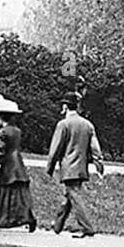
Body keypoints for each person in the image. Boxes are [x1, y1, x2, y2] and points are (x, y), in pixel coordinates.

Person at [46, 91, 105, 237]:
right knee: (69, 196)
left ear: (65, 107)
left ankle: (87, 227)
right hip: (81, 167)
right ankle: (57, 225)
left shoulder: (63, 124)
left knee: (74, 196)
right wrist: (99, 165)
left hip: (68, 167)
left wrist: (50, 167)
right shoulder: (87, 125)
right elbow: (95, 148)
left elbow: (55, 149)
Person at [0, 93, 36, 231]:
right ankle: (26, 217)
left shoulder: (2, 132)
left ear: (0, 117)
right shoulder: (17, 131)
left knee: (1, 190)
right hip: (17, 161)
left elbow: (1, 149)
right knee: (19, 193)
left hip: (7, 162)